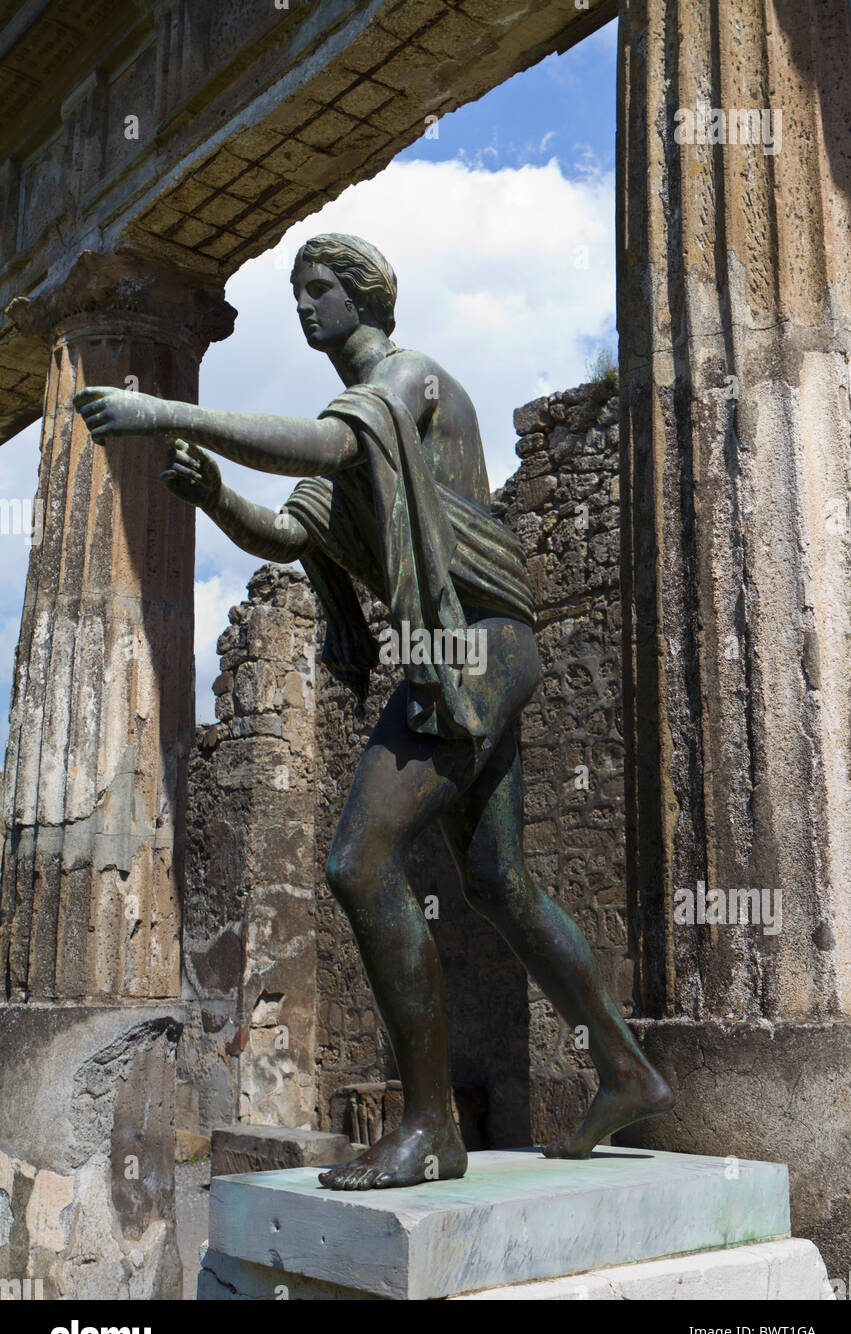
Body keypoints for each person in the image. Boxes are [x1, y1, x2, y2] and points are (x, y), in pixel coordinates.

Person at [74, 233, 673, 1190]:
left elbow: (328, 445)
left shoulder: (407, 384)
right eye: (296, 294)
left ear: (367, 295)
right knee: (499, 882)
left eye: (319, 289)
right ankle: (626, 1069)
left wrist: (158, 410)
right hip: (473, 652)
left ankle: (431, 1125)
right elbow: (283, 532)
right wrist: (217, 490)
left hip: (472, 645)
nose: (304, 308)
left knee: (357, 863)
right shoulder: (357, 427)